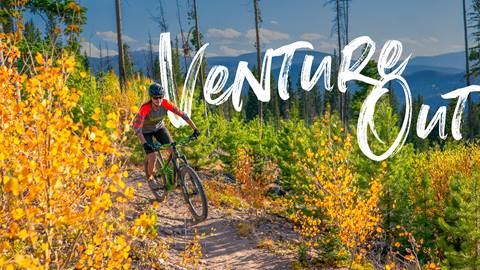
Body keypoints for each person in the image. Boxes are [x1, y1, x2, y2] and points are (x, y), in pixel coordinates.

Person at [133, 83, 200, 179]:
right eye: (155, 98)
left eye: (160, 97)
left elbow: (182, 114)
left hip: (159, 128)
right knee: (152, 157)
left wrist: (195, 128)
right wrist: (144, 144)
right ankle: (151, 177)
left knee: (173, 151)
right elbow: (137, 129)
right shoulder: (145, 108)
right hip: (145, 131)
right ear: (151, 98)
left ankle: (178, 179)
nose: (158, 100)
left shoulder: (165, 103)